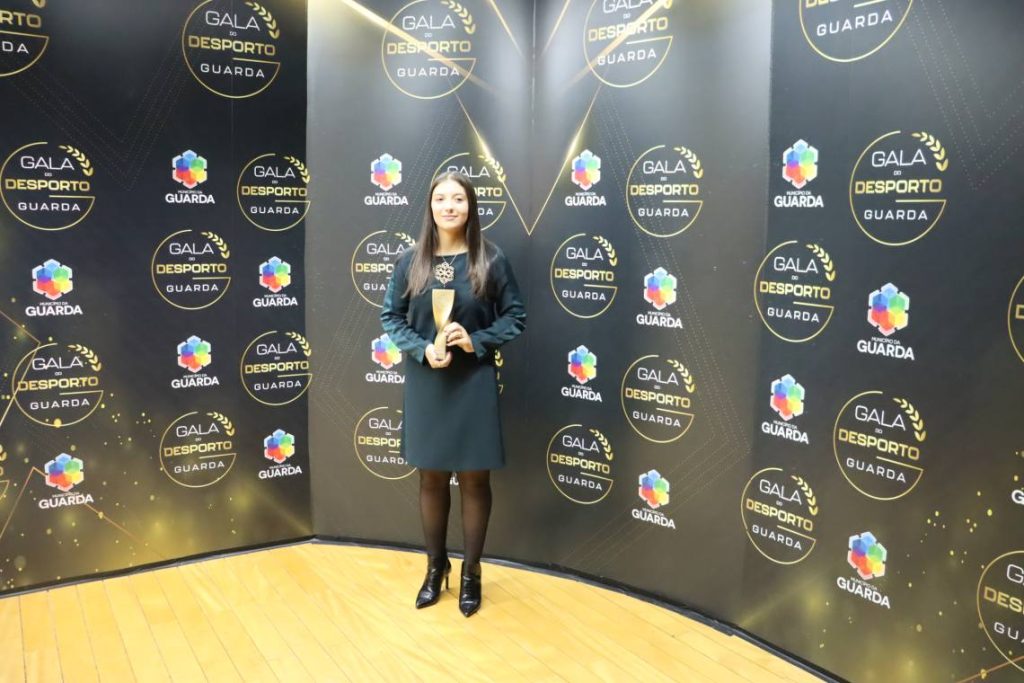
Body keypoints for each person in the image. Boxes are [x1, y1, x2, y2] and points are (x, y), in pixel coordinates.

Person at [380, 171, 526, 617]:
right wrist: (423, 349)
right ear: (430, 206)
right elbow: (391, 318)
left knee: (475, 480)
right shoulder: (410, 261)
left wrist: (476, 340)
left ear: (470, 206)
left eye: (458, 199)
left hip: (473, 380)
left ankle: (471, 572)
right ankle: (434, 567)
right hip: (428, 381)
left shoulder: (491, 259)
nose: (449, 206)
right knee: (431, 478)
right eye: (441, 198)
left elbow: (515, 316)